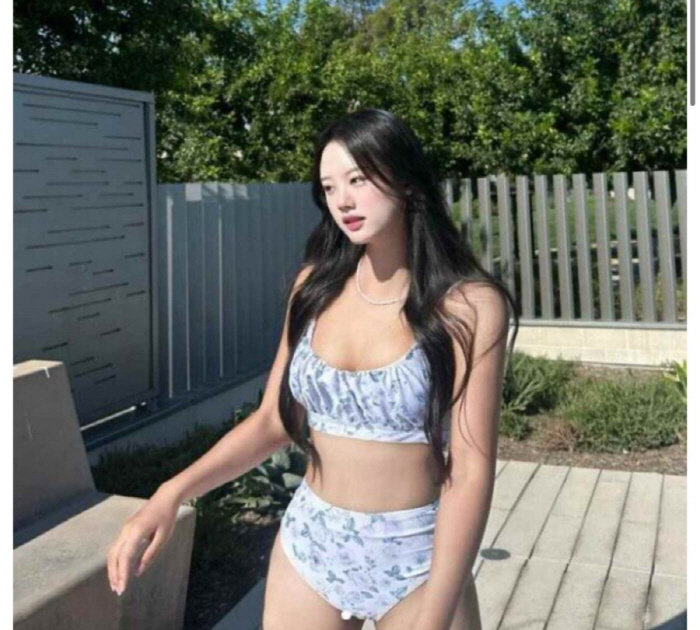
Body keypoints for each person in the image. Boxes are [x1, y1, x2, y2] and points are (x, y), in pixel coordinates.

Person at [106, 108, 519, 630]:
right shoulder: (315, 288)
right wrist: (171, 494)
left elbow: (471, 471)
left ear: (407, 181)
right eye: (328, 187)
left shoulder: (468, 306)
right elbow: (274, 421)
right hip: (312, 548)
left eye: (358, 179)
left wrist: (436, 613)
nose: (342, 200)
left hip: (417, 557)